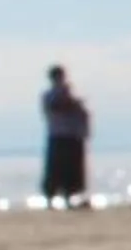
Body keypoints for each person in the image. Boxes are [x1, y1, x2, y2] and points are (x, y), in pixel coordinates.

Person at [39, 65, 92, 208]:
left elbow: (81, 114)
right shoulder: (49, 95)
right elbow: (56, 107)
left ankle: (69, 198)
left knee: (71, 170)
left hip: (72, 136)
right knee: (55, 169)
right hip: (58, 136)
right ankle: (50, 200)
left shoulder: (67, 95)